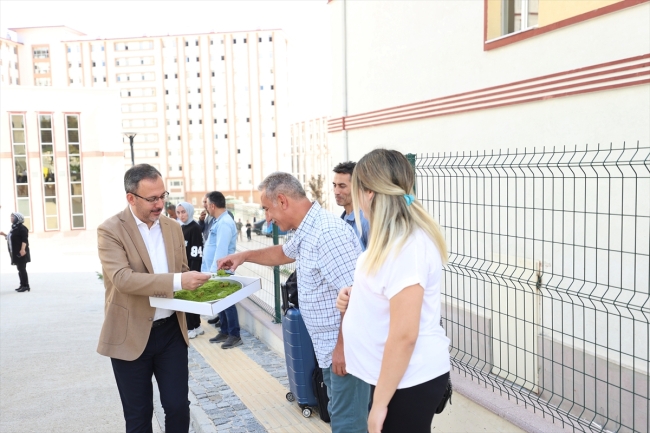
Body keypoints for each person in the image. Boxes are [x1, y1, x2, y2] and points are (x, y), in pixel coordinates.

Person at [217, 172, 370, 433]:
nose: (267, 217)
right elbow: (282, 253)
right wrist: (243, 256)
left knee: (348, 426)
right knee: (340, 421)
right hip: (329, 351)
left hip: (346, 354)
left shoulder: (328, 233)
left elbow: (356, 297)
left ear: (282, 200)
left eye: (267, 208)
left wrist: (342, 349)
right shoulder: (308, 228)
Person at [336, 149, 450, 433]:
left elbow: (404, 335)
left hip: (407, 381)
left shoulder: (406, 247)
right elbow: (389, 294)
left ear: (369, 193)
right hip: (396, 378)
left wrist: (380, 405)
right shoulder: (393, 240)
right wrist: (355, 297)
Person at [96, 164, 210, 433]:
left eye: (163, 196)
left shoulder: (172, 227)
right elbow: (123, 279)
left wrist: (210, 288)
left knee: (178, 407)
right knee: (139, 415)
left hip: (170, 332)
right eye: (152, 199)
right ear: (131, 198)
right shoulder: (110, 230)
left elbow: (181, 272)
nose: (160, 204)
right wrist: (177, 281)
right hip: (130, 333)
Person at [201, 191, 241, 349]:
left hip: (221, 270)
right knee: (221, 301)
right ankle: (225, 330)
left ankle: (234, 334)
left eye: (207, 204)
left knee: (227, 302)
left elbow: (221, 249)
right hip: (217, 270)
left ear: (212, 205)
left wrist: (214, 272)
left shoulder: (224, 223)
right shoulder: (219, 221)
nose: (206, 207)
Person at [176, 201, 205, 339]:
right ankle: (197, 325)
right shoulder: (181, 227)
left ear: (190, 211)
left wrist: (192, 271)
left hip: (191, 269)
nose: (181, 215)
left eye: (184, 212)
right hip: (184, 269)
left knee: (188, 298)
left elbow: (197, 252)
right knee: (192, 299)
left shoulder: (194, 228)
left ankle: (191, 327)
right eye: (179, 212)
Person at [333, 161, 370, 250]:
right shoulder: (341, 220)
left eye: (342, 186)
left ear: (357, 187)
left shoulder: (366, 220)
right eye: (334, 185)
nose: (336, 191)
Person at [1, 212, 31, 292]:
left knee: (22, 269)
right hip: (15, 252)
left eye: (13, 217)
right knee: (19, 269)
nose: (11, 218)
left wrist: (22, 249)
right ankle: (22, 284)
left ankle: (26, 286)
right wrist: (4, 234)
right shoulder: (14, 228)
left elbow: (24, 239)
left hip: (21, 252)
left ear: (18, 218)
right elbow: (12, 238)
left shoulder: (22, 228)